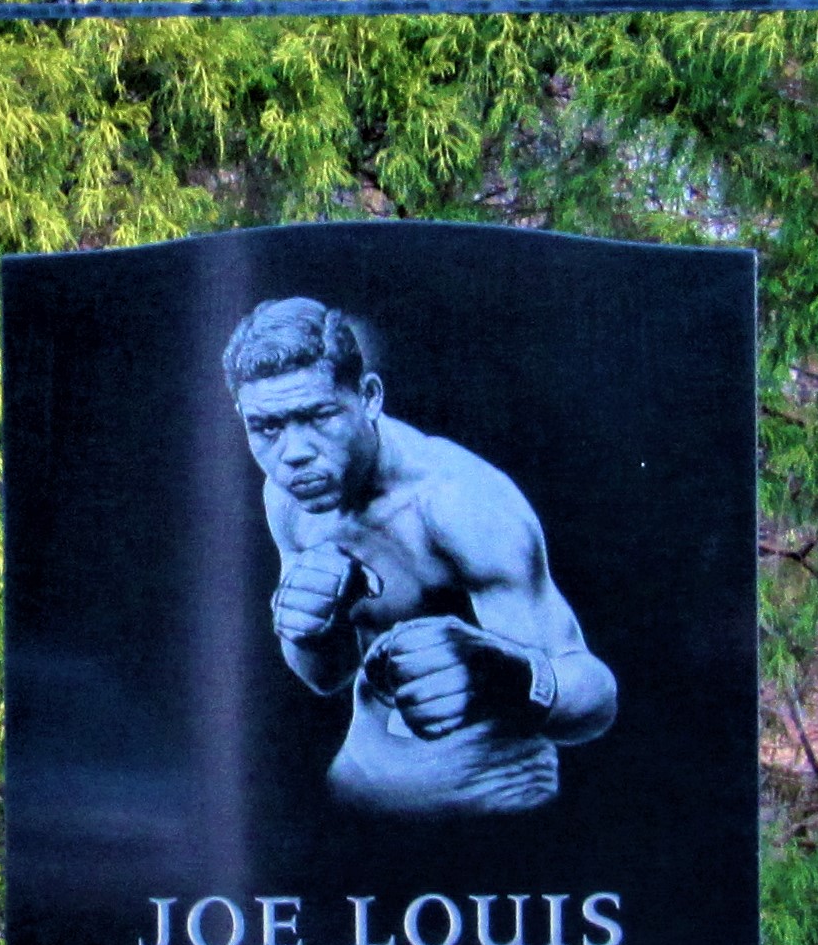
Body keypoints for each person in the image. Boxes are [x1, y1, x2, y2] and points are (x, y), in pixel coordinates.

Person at [223, 298, 615, 817]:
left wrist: (515, 678)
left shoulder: (456, 501)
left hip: (498, 820)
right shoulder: (289, 494)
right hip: (356, 804)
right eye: (267, 426)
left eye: (318, 416)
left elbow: (594, 698)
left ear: (368, 396)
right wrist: (315, 626)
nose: (293, 452)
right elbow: (324, 675)